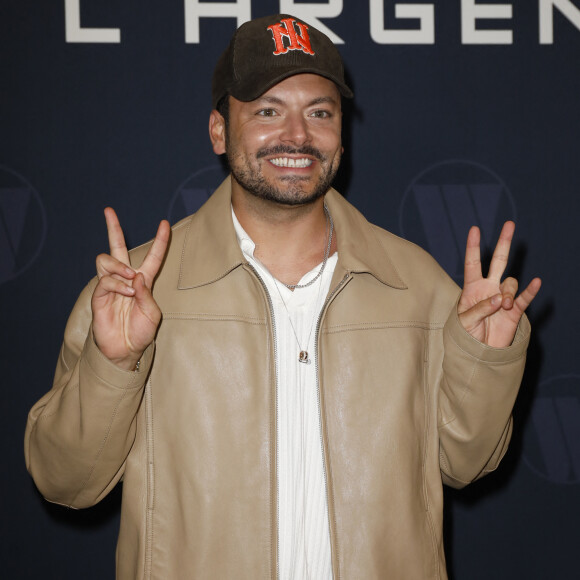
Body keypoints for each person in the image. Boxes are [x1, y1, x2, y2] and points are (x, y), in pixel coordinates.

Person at [25, 13, 541, 580]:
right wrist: (115, 363)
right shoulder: (141, 290)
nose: (297, 136)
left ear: (341, 133)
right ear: (219, 130)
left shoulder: (416, 285)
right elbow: (65, 483)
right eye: (268, 110)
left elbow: (465, 466)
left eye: (319, 112)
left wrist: (483, 362)